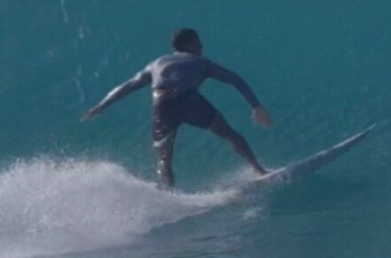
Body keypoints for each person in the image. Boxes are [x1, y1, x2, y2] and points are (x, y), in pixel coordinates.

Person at [81, 28, 272, 188]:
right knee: (228, 133)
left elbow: (128, 85)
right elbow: (234, 79)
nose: (201, 47)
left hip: (161, 105)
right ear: (189, 45)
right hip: (186, 99)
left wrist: (101, 106)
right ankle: (258, 169)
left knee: (163, 159)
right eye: (198, 43)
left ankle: (168, 195)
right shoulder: (200, 62)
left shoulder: (156, 63)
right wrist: (256, 106)